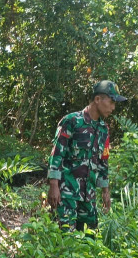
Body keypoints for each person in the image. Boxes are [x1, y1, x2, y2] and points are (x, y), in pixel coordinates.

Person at [47, 80, 127, 231]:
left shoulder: (104, 129)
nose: (113, 107)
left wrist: (105, 191)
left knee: (89, 237)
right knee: (65, 236)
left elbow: (103, 161)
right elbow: (57, 154)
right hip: (66, 193)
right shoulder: (71, 121)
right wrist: (53, 185)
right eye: (111, 102)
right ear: (97, 99)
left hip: (88, 195)